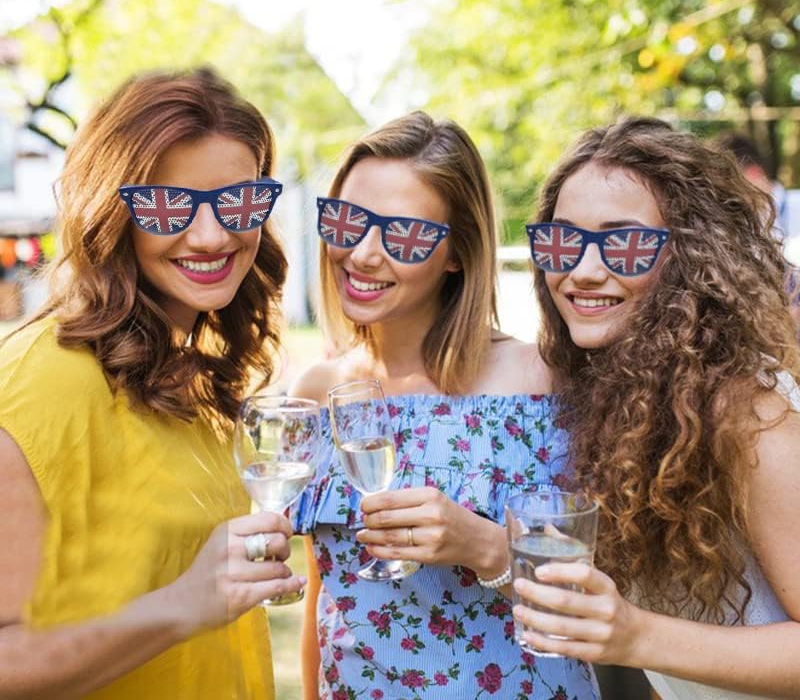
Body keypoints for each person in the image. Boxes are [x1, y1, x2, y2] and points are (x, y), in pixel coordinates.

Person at [0, 68, 305, 699]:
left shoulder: (193, 368)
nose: (213, 235)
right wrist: (181, 604)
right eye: (168, 206)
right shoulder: (42, 383)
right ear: (112, 210)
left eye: (239, 202)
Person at [290, 111, 599, 700]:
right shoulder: (316, 391)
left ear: (456, 253)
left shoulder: (543, 381)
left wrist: (480, 546)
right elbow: (322, 600)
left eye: (403, 234)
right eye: (349, 221)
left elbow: (612, 597)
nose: (363, 253)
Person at [514, 116, 800, 699]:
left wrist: (634, 635)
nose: (583, 270)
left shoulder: (748, 411)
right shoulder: (626, 395)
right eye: (564, 240)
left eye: (624, 244)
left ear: (691, 258)